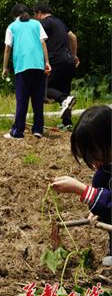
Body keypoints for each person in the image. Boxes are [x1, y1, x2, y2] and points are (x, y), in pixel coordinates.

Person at [51, 105, 111, 266]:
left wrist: (81, 190)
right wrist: (101, 212)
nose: (92, 161)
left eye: (94, 153)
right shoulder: (103, 174)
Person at [2, 3, 51, 139]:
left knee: (22, 100)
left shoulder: (12, 27)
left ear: (14, 15)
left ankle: (17, 131)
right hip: (38, 65)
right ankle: (38, 129)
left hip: (22, 66)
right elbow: (42, 43)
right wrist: (46, 62)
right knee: (37, 99)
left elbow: (7, 48)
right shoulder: (36, 24)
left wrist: (5, 68)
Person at [34, 2, 79, 132]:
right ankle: (67, 123)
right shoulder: (59, 22)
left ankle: (64, 99)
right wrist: (74, 55)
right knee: (64, 91)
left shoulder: (43, 23)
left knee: (40, 87)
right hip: (69, 61)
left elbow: (38, 41)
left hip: (56, 61)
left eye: (35, 15)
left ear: (39, 13)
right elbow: (73, 37)